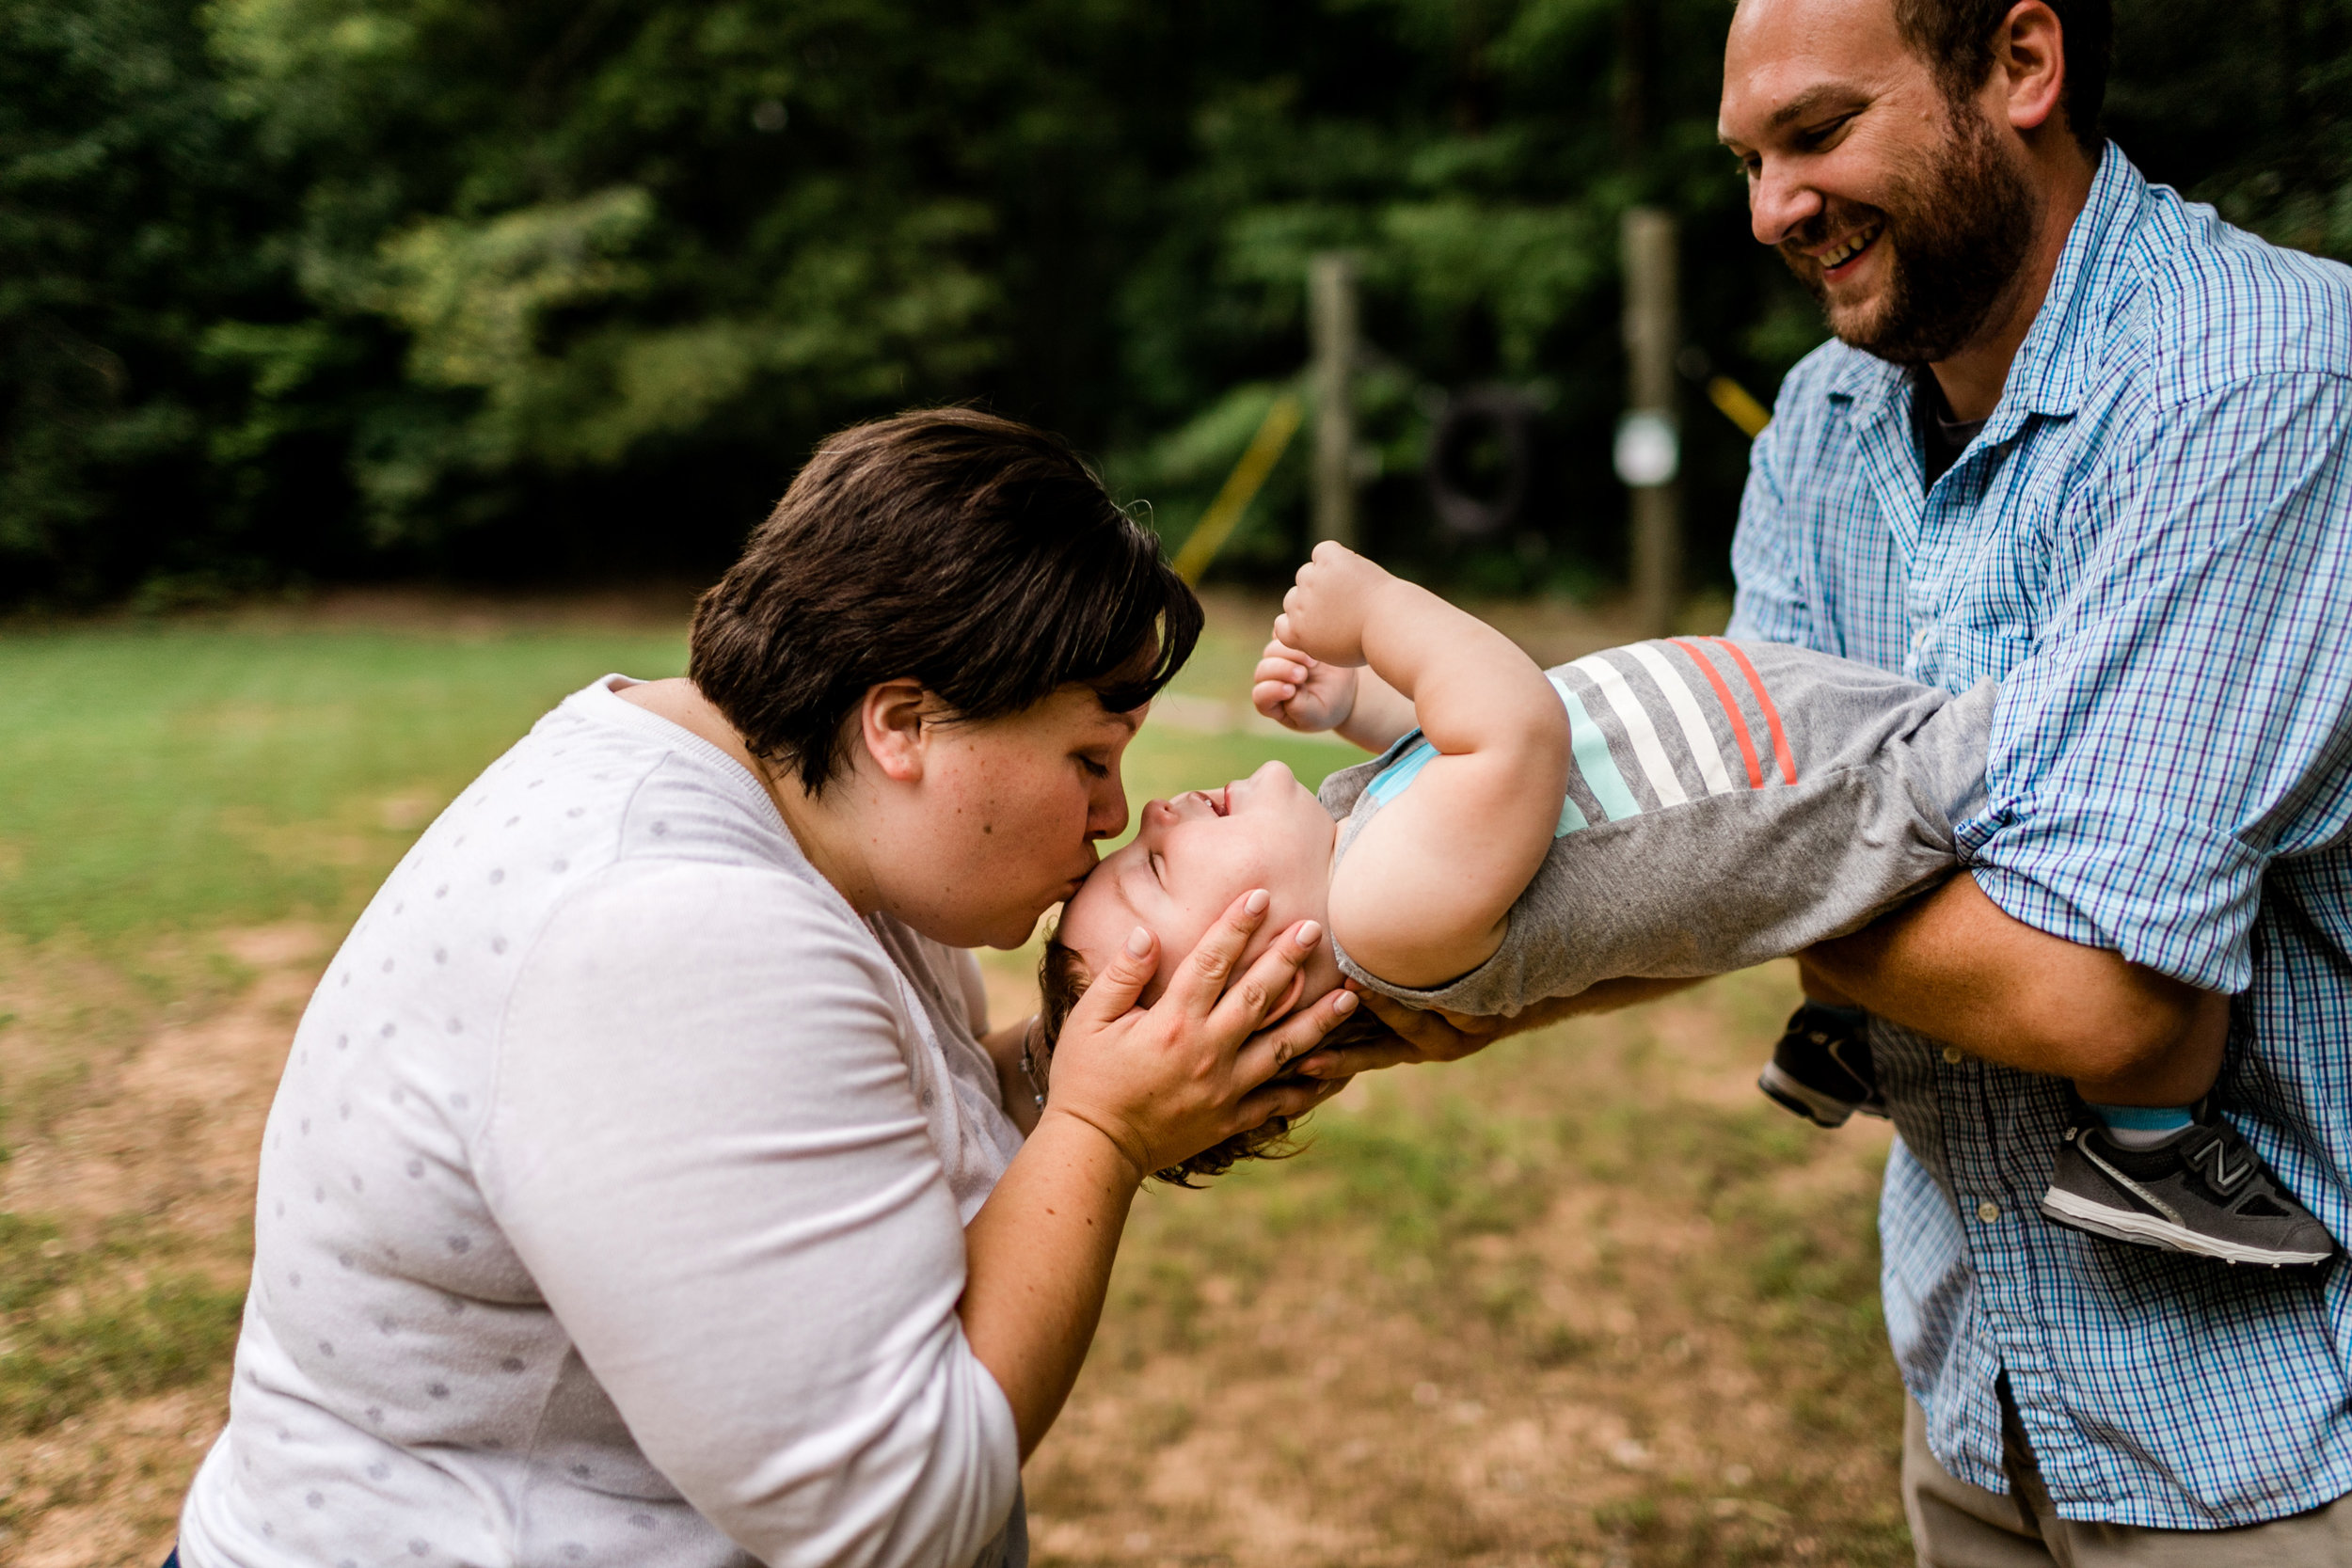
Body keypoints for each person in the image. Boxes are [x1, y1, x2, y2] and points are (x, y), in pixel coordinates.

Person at [1299, 0, 2352, 1559]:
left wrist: (1748, 884)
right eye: (1745, 158)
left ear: (2021, 68)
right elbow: (1736, 841)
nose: (1771, 208)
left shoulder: (2263, 374)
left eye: (1817, 133)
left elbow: (2101, 996)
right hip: (1973, 1382)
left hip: (2275, 1426)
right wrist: (1401, 984)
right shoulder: (1825, 416)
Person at [168, 409, 1355, 1568]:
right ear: (903, 720)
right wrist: (1103, 1129)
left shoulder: (784, 805)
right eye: (1087, 758)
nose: (1111, 812)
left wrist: (1120, 1060)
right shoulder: (671, 933)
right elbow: (895, 1512)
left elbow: (869, 1124)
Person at [1036, 541, 2335, 1270]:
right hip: (1862, 791)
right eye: (1154, 874)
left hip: (1822, 749)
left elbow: (1445, 754)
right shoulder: (1384, 916)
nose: (1148, 818)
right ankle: (2152, 1139)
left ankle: (1843, 1037)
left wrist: (1351, 704)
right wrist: (1384, 612)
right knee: (2120, 717)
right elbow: (1511, 727)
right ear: (1264, 975)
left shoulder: (1372, 841)